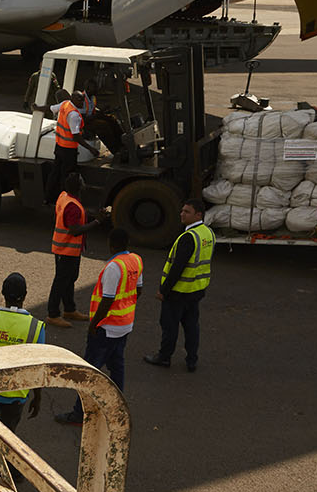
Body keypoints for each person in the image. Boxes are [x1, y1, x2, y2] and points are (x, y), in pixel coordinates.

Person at [56, 229, 142, 426]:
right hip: (124, 325)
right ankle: (117, 409)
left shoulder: (113, 267)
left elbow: (107, 300)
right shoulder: (136, 260)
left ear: (111, 244)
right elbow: (138, 290)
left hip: (106, 328)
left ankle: (79, 413)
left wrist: (93, 325)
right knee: (117, 368)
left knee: (89, 372)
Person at [144, 198, 214, 372]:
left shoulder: (188, 237)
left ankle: (164, 357)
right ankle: (192, 360)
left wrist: (163, 290)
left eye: (187, 212)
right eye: (182, 211)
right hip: (196, 290)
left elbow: (177, 268)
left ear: (198, 214)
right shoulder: (208, 234)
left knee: (169, 326)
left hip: (178, 292)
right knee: (191, 327)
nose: (182, 214)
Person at [0, 272, 45, 433]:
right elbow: (38, 368)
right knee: (5, 440)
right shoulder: (36, 327)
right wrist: (37, 397)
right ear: (25, 295)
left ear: (2, 293)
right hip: (16, 395)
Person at [45, 172, 108, 328]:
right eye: (82, 180)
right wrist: (97, 222)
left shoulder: (65, 197)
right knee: (61, 281)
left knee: (70, 278)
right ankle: (52, 314)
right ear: (80, 187)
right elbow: (75, 230)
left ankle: (69, 309)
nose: (84, 182)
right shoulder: (72, 206)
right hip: (66, 249)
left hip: (66, 248)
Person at [47, 90, 87, 203]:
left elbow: (50, 108)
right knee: (67, 176)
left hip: (59, 146)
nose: (82, 102)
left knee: (55, 172)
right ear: (73, 99)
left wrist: (37, 108)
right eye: (80, 100)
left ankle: (49, 197)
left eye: (83, 99)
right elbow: (76, 137)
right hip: (68, 150)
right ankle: (64, 199)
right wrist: (91, 149)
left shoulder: (65, 104)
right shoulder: (74, 115)